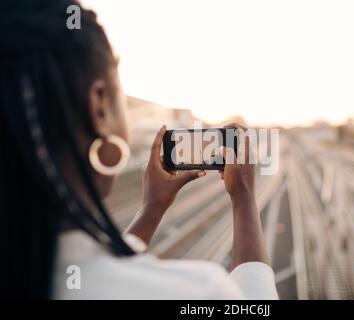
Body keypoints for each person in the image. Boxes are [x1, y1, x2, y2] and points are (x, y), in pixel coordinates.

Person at [0, 0, 278, 299]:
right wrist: (244, 198)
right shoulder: (199, 293)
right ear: (100, 108)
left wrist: (151, 209)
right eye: (121, 96)